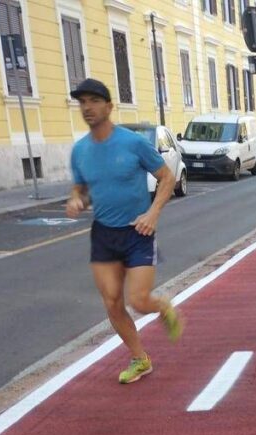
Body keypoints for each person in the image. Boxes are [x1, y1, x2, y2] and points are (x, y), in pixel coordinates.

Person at [65, 78, 183, 384]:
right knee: (113, 303)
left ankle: (163, 306)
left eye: (93, 101)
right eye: (82, 102)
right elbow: (82, 189)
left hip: (138, 231)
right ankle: (140, 359)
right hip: (104, 234)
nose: (87, 108)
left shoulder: (132, 143)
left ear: (108, 106)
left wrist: (152, 213)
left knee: (140, 300)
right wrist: (77, 199)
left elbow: (167, 177)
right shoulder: (80, 151)